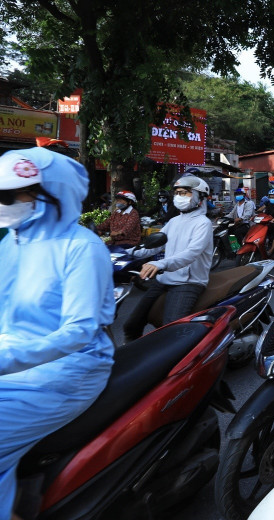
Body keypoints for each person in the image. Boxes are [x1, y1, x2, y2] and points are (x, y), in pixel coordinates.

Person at [0, 148, 114, 518]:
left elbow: (78, 332)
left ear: (52, 192)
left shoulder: (81, 247)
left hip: (65, 372)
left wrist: (6, 359)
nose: (4, 203)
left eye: (11, 195)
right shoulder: (11, 241)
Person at [123, 176, 214, 341]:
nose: (179, 196)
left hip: (188, 282)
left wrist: (160, 263)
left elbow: (191, 253)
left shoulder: (203, 223)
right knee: (131, 324)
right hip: (165, 278)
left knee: (171, 332)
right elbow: (154, 245)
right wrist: (127, 253)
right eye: (177, 193)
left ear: (200, 197)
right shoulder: (173, 221)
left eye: (185, 193)